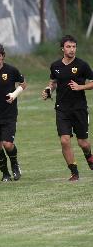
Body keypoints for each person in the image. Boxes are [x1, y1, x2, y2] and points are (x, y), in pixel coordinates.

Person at [42, 35, 93, 181]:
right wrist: (48, 90)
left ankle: (89, 156)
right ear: (62, 49)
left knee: (82, 142)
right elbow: (53, 82)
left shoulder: (82, 65)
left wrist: (80, 87)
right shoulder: (55, 65)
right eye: (69, 47)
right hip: (62, 108)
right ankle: (74, 172)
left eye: (74, 47)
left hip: (79, 108)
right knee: (64, 140)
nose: (72, 49)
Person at [0, 43, 26, 182]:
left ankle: (15, 165)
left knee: (7, 144)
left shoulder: (11, 70)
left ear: (3, 57)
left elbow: (23, 84)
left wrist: (15, 94)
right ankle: (5, 173)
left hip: (9, 113)